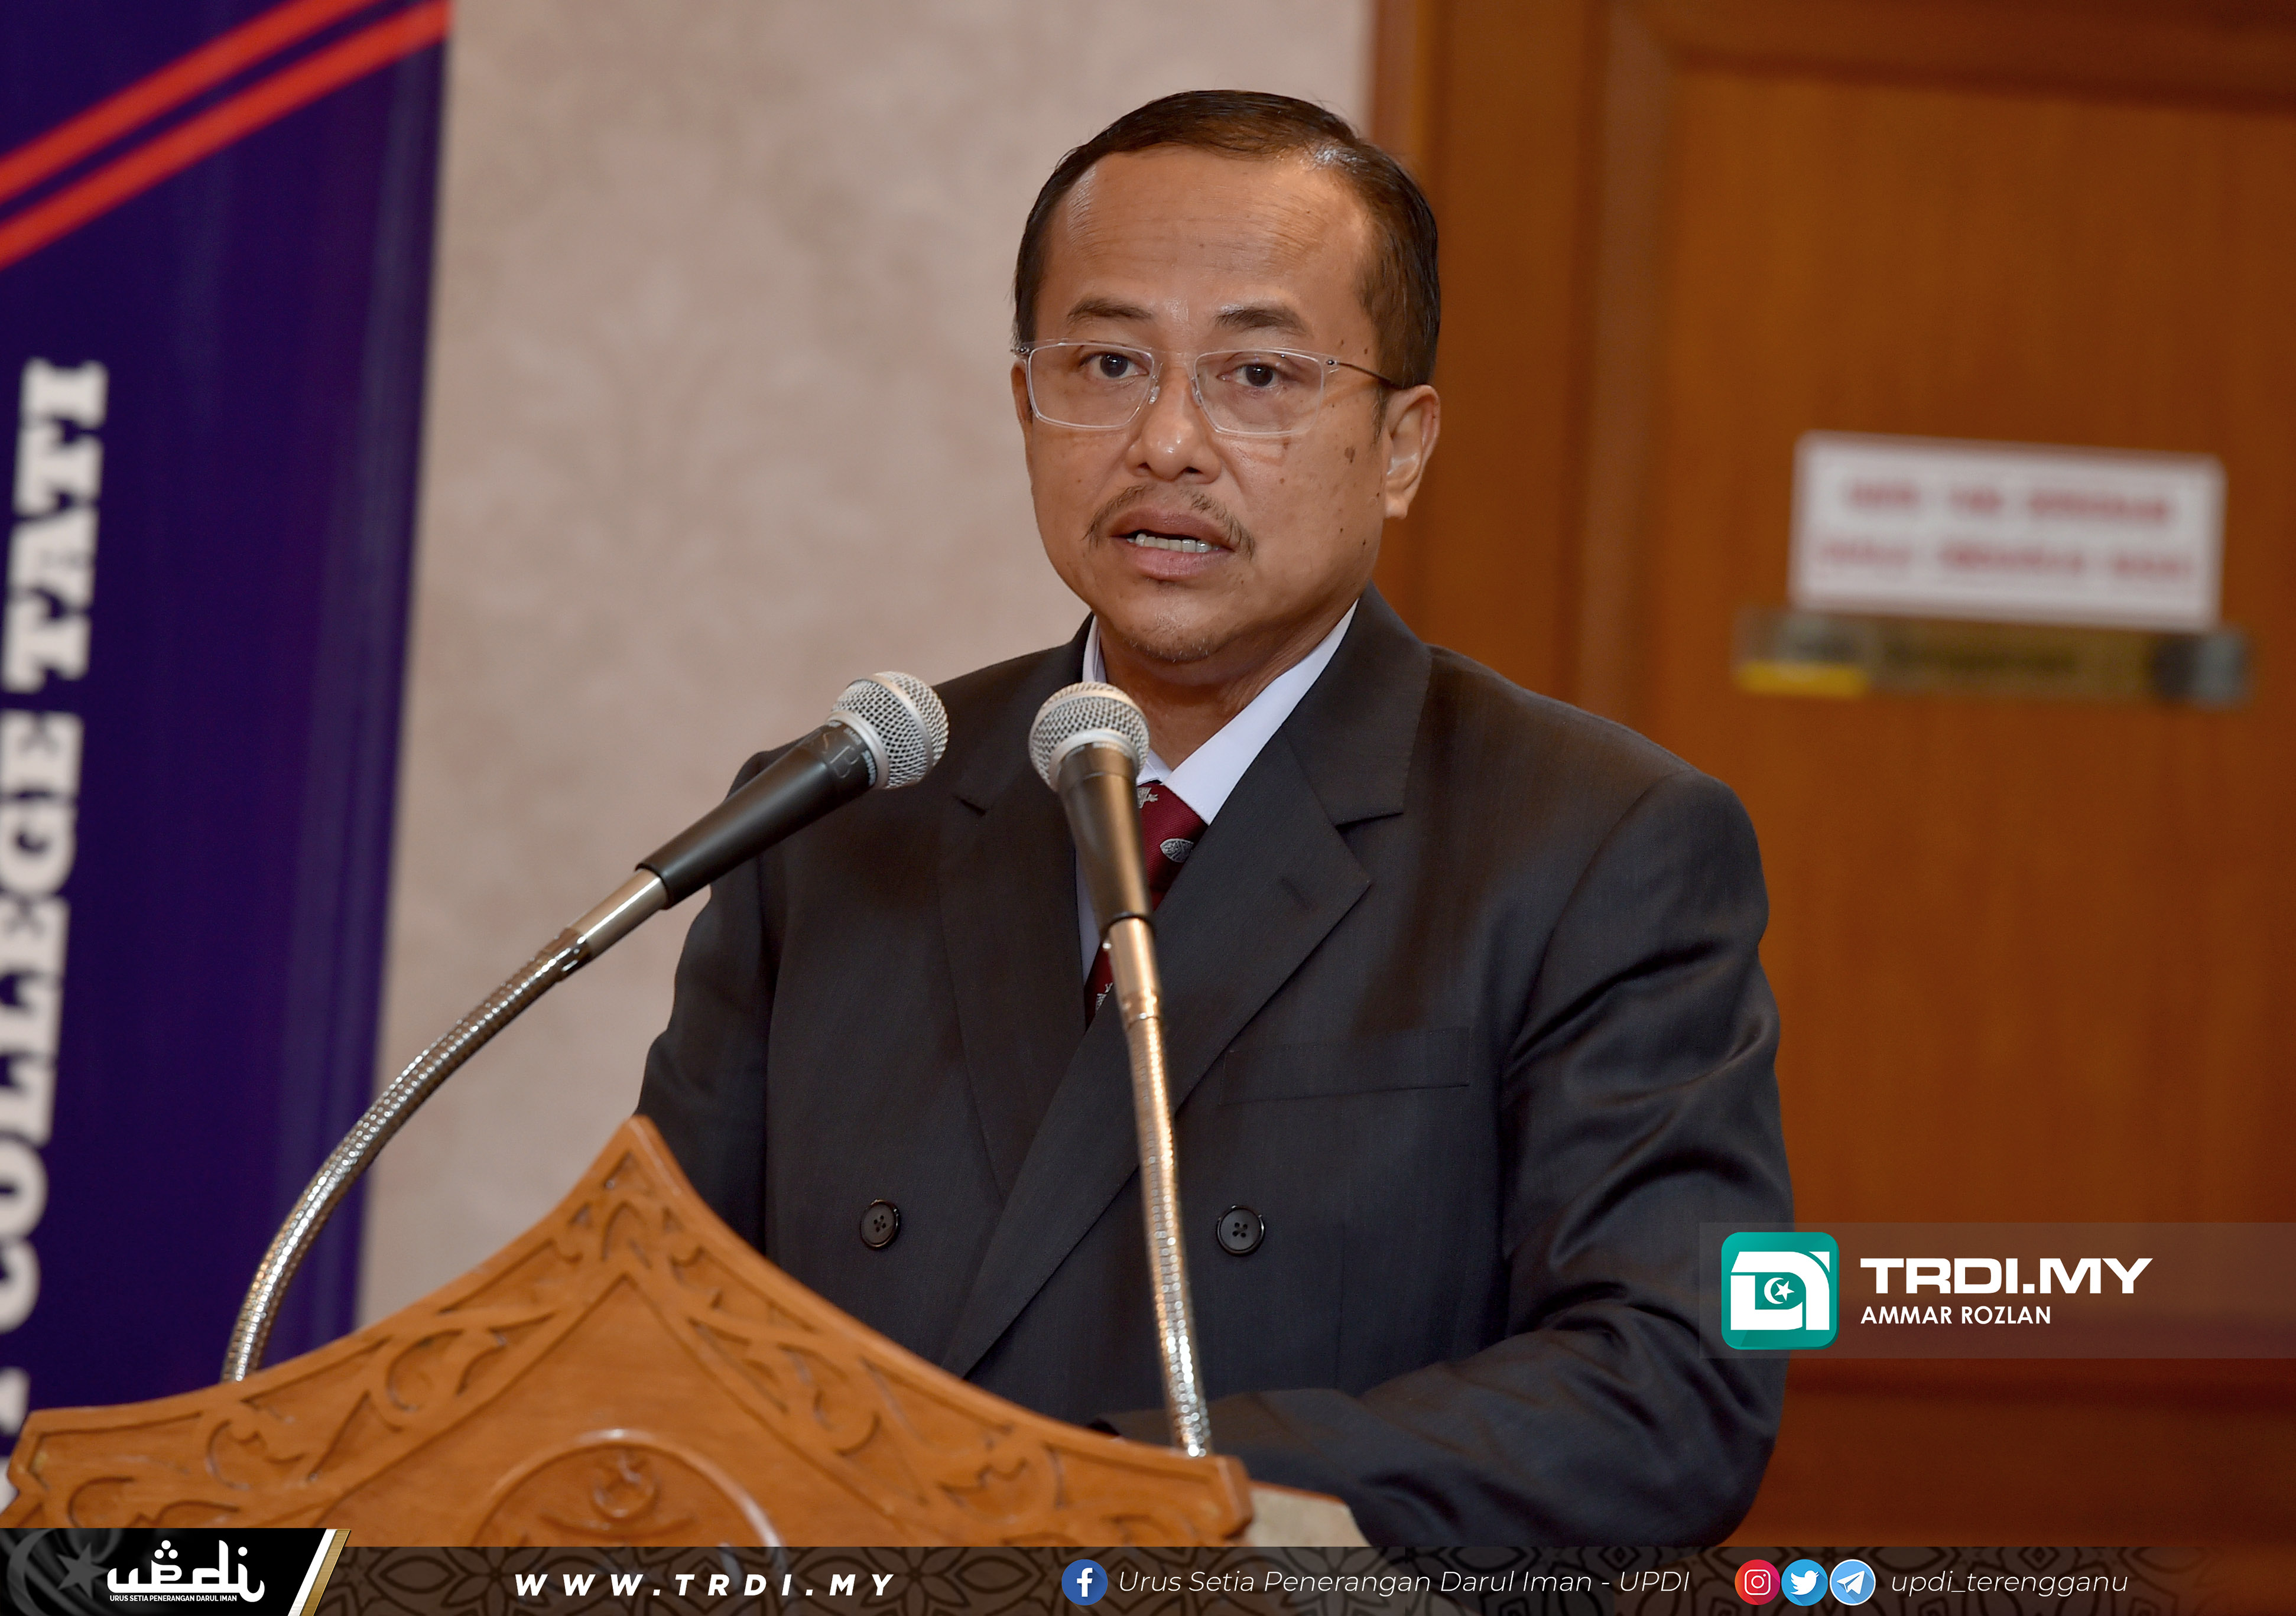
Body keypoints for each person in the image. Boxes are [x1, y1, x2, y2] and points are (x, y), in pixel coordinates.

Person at [638, 90, 1790, 1544]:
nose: (1167, 442)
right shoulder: (838, 819)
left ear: (1401, 445)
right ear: (1025, 406)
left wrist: (1114, 1499)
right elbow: (659, 1327)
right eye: (1108, 363)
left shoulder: (1597, 846)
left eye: (1256, 374)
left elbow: (1676, 1383)